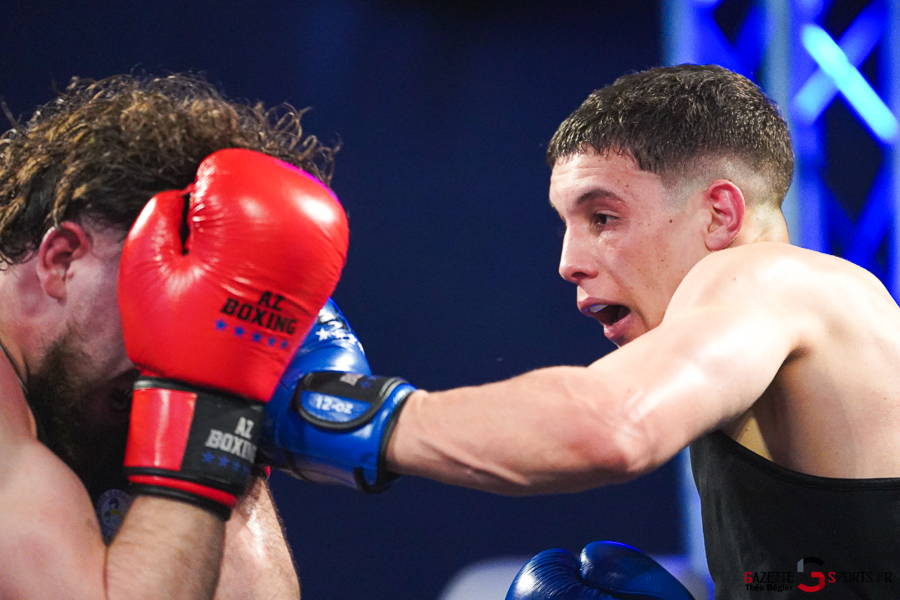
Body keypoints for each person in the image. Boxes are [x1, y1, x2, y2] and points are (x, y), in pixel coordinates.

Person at [263, 64, 900, 599]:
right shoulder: (788, 339)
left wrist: (338, 415)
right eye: (566, 223)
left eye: (602, 216)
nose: (568, 262)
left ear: (720, 213)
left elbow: (612, 427)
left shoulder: (765, 276)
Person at [0, 73, 350, 599]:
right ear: (63, 259)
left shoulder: (94, 400)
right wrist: (208, 407)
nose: (175, 339)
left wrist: (236, 409)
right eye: (159, 292)